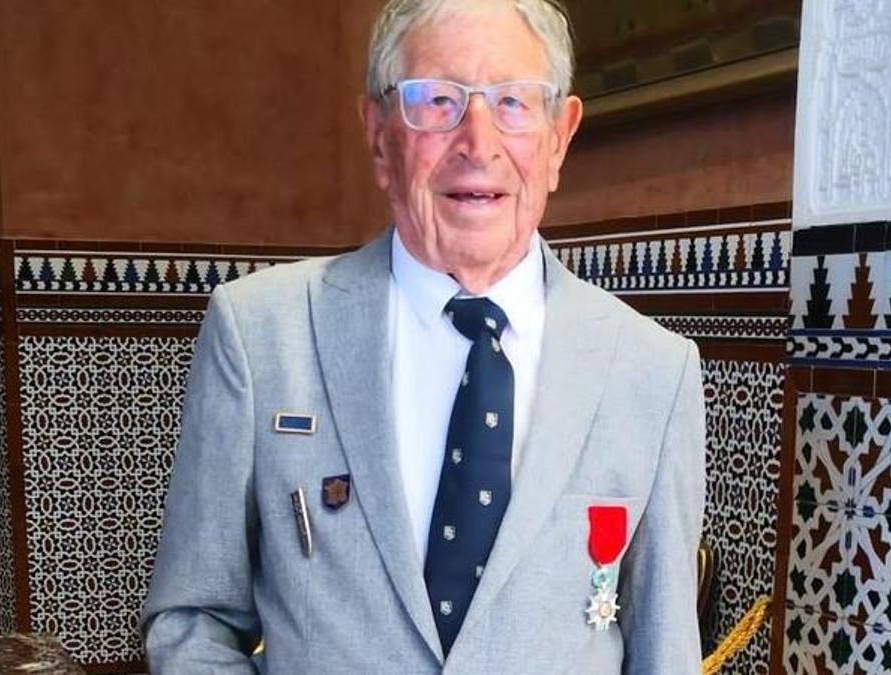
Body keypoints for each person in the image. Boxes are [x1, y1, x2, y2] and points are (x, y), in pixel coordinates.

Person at [140, 0, 705, 672]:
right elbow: (193, 619)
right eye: (437, 100)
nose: (478, 141)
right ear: (379, 135)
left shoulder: (652, 370)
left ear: (559, 138)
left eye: (514, 103)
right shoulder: (260, 333)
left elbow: (664, 652)